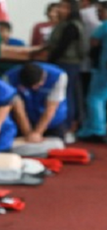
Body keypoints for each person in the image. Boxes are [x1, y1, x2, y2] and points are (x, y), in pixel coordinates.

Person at [36, 0, 86, 142]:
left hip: (67, 63)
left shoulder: (72, 26)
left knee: (66, 96)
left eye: (64, 7)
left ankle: (67, 127)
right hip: (63, 62)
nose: (60, 9)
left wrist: (50, 59)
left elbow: (61, 47)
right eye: (60, 6)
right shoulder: (62, 24)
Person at [4, 62, 69, 141]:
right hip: (26, 117)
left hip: (52, 120)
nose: (34, 89)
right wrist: (28, 133)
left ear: (43, 77)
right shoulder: (9, 77)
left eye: (38, 85)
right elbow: (18, 109)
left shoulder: (59, 76)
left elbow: (51, 108)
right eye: (31, 87)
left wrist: (37, 133)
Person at [77, 1, 107, 142]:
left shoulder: (104, 26)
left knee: (95, 98)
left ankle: (96, 129)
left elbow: (93, 41)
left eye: (100, 11)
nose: (98, 14)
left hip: (103, 68)